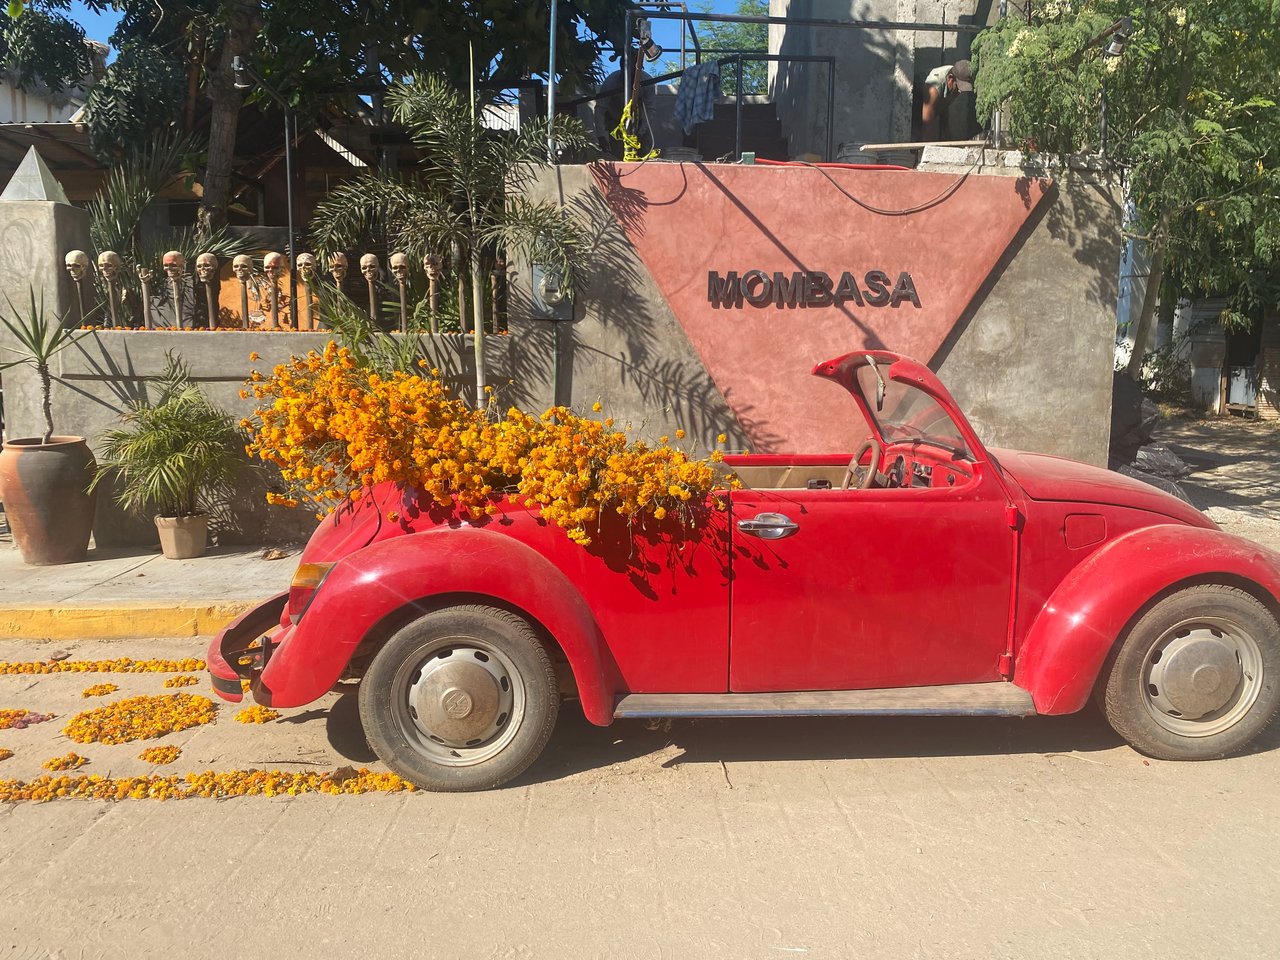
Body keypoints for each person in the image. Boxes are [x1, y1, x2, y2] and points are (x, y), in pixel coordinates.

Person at [920, 59, 978, 141]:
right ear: (950, 78)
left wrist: (949, 141)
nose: (960, 91)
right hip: (915, 105)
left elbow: (944, 110)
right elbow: (927, 126)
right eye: (958, 86)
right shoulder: (933, 89)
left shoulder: (956, 75)